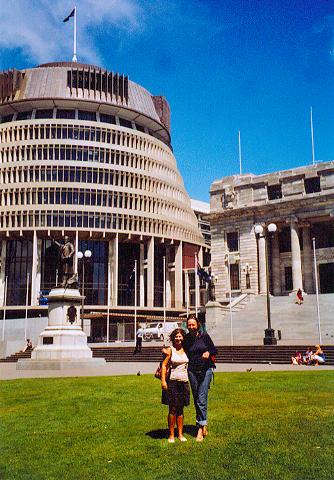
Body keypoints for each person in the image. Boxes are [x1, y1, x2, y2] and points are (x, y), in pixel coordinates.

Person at [184, 314, 217, 442]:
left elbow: (214, 350)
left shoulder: (204, 336)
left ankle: (199, 428)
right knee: (196, 398)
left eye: (193, 324)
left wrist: (208, 353)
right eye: (189, 325)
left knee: (201, 399)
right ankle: (204, 424)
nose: (191, 327)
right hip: (192, 370)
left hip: (206, 370)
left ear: (198, 325)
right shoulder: (187, 339)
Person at [161, 328, 190, 443]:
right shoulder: (170, 350)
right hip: (172, 382)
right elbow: (163, 366)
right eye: (176, 336)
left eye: (180, 336)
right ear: (173, 338)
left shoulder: (186, 350)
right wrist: (163, 381)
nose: (178, 339)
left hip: (184, 382)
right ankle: (171, 435)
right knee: (172, 409)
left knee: (181, 409)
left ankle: (180, 434)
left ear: (183, 338)